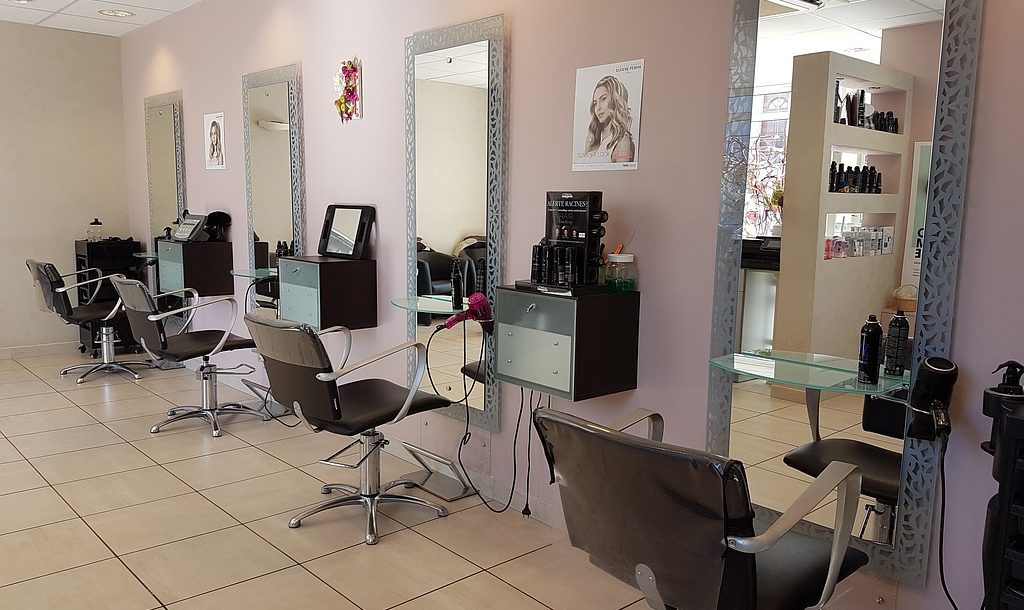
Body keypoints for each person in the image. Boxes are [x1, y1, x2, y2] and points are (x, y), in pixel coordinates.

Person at [584, 75, 635, 163]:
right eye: (595, 103)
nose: (598, 108)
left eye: (603, 99)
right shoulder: (592, 137)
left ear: (614, 100)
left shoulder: (623, 141)